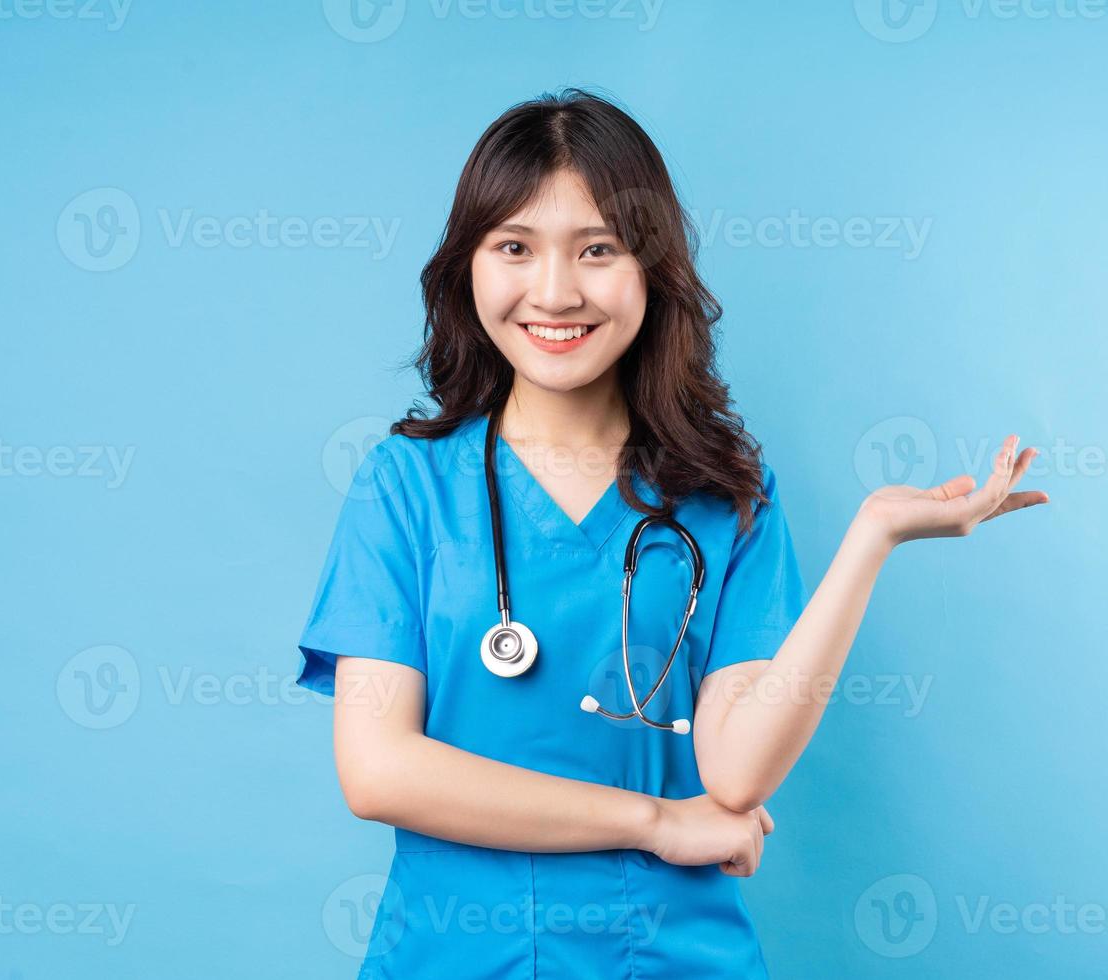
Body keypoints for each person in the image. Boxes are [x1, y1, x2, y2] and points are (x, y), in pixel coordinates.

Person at [295, 87, 1048, 979]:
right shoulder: (405, 488)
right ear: (469, 267)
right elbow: (379, 771)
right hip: (452, 956)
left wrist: (874, 537)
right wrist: (653, 819)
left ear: (652, 268)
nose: (555, 292)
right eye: (514, 248)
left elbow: (735, 775)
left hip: (664, 955)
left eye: (598, 250)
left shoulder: (725, 495)